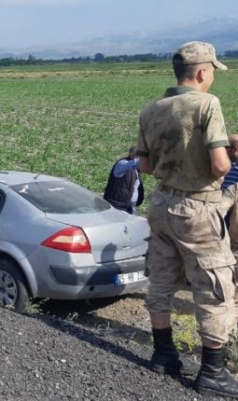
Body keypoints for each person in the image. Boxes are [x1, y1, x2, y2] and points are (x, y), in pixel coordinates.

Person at [136, 41, 238, 398]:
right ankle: (213, 372)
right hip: (198, 208)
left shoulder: (151, 110)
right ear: (202, 72)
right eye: (211, 72)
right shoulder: (207, 104)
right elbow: (221, 166)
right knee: (214, 289)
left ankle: (163, 354)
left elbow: (145, 166)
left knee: (161, 282)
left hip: (162, 205)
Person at [102, 146, 144, 214]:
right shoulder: (122, 164)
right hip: (116, 207)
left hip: (129, 208)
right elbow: (134, 164)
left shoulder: (136, 170)